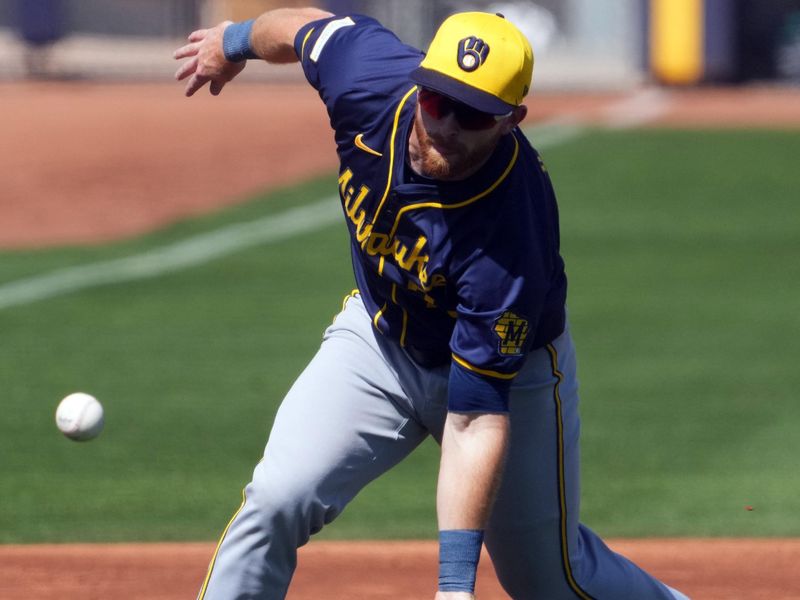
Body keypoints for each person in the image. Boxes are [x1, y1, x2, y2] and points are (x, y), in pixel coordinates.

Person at [174, 8, 690, 600]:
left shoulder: (509, 235)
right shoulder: (366, 78)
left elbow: (471, 418)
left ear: (510, 120)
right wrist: (232, 42)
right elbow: (304, 27)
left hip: (507, 382)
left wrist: (453, 589)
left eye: (471, 113)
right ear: (420, 82)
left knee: (552, 581)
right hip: (379, 341)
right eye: (437, 100)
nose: (445, 124)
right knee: (276, 500)